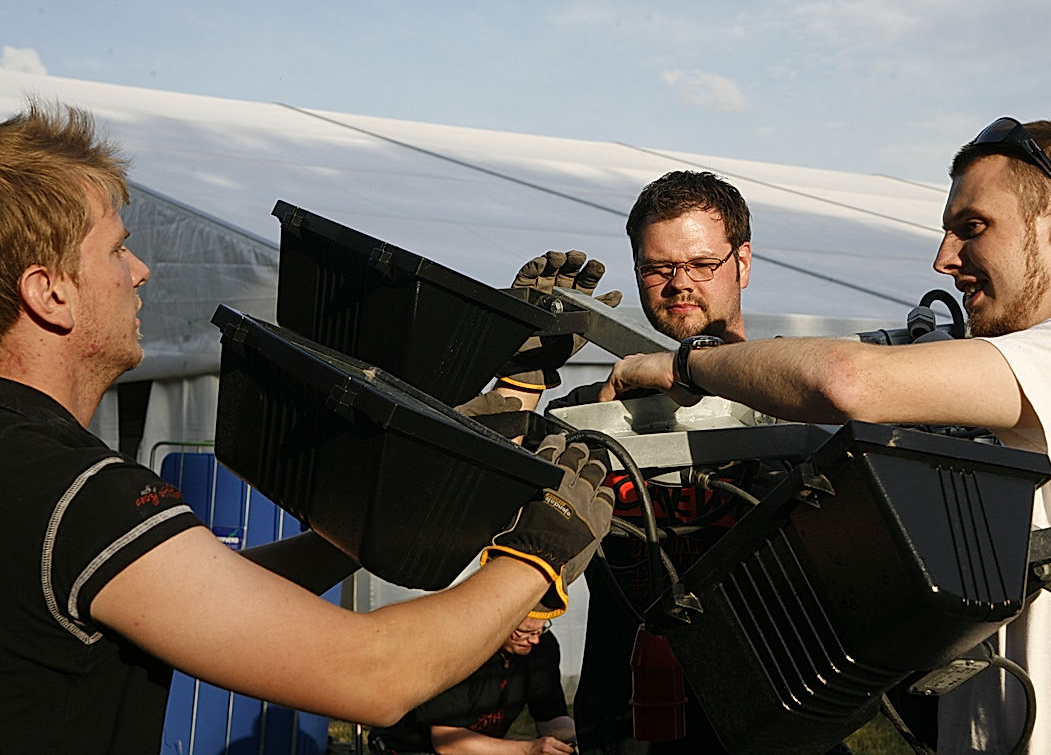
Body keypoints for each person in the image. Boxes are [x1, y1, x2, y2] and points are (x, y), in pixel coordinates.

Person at [0, 99, 614, 755]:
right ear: (49, 293)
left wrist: (428, 470)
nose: (140, 271)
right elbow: (375, 674)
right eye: (118, 250)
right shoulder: (74, 489)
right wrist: (541, 554)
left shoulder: (30, 471)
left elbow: (213, 603)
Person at [599, 118, 1051, 754]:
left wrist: (682, 363)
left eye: (972, 227)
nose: (944, 258)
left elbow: (850, 381)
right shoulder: (1028, 387)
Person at [495, 172, 843, 755]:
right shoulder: (591, 411)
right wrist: (520, 378)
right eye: (658, 268)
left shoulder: (798, 400)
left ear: (744, 262)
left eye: (702, 263)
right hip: (628, 721)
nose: (680, 285)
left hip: (779, 719)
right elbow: (483, 509)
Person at [368, 616, 577, 754]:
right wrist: (527, 749)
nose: (535, 641)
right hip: (412, 748)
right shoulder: (461, 651)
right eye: (525, 632)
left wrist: (582, 735)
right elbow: (447, 742)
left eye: (540, 630)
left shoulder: (542, 649)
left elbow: (549, 719)